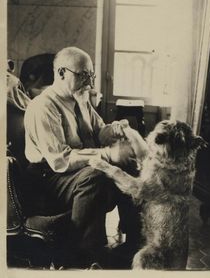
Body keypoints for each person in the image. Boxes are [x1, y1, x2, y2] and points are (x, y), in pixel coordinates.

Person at [24, 46, 137, 267]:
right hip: (48, 177)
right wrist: (106, 154)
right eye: (83, 75)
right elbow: (60, 160)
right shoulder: (43, 107)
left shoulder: (80, 99)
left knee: (129, 165)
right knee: (95, 175)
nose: (90, 82)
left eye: (91, 75)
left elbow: (98, 132)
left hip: (73, 170)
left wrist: (114, 130)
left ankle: (134, 243)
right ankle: (81, 253)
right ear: (61, 73)